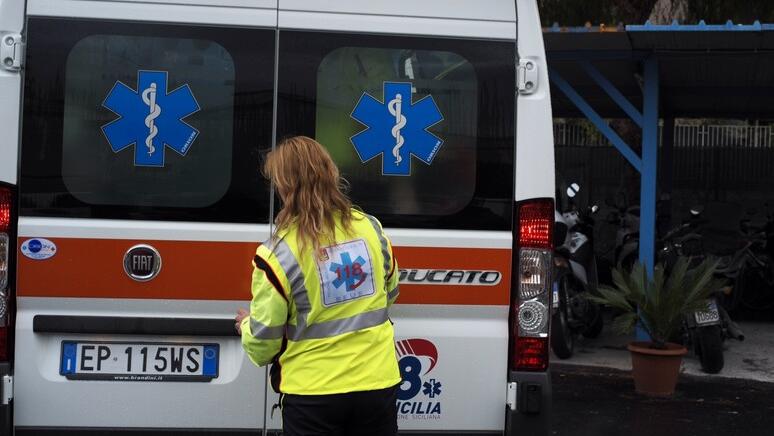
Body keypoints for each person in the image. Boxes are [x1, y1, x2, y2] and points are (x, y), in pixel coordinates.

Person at [235, 136, 401, 436]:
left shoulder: (277, 254)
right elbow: (389, 293)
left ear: (285, 186)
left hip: (313, 393)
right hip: (378, 384)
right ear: (330, 173)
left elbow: (264, 344)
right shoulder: (371, 229)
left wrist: (246, 326)